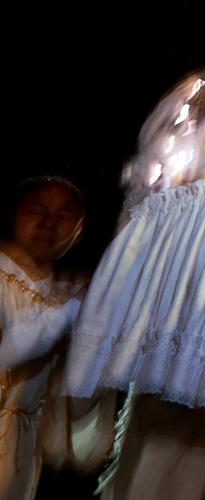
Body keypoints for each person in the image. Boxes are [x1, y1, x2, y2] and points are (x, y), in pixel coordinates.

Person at [0, 177, 86, 499]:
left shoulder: (59, 295)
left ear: (78, 230)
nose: (48, 224)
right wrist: (68, 313)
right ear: (14, 215)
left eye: (64, 217)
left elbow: (70, 398)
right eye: (36, 210)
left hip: (22, 451)